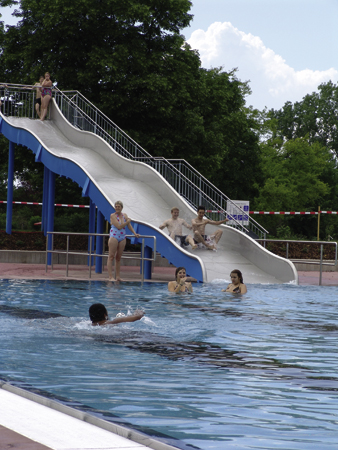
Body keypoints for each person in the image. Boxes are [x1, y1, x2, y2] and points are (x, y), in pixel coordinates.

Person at [108, 200, 140, 281]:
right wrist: (127, 221)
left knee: (118, 257)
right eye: (116, 206)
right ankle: (110, 276)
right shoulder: (113, 215)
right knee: (111, 256)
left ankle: (118, 276)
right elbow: (119, 226)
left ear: (122, 208)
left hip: (122, 236)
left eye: (119, 206)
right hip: (114, 236)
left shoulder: (124, 215)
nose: (117, 208)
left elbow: (129, 226)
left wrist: (134, 233)